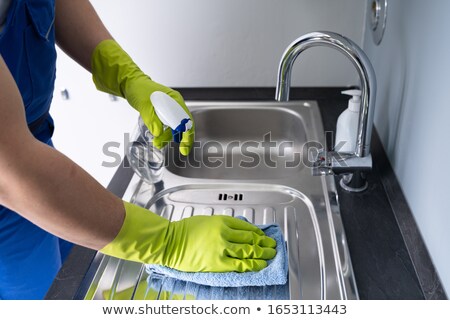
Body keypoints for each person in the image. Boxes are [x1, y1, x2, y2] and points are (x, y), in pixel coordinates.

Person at [0, 0, 276, 300]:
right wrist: (169, 242)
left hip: (32, 146)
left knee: (73, 274)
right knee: (46, 298)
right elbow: (10, 169)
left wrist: (127, 75)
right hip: (12, 178)